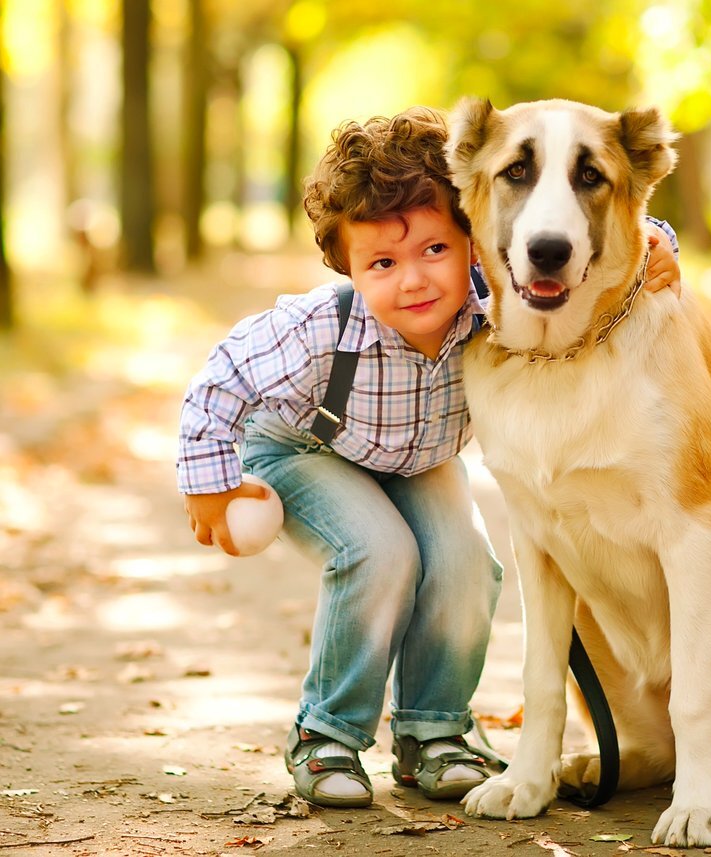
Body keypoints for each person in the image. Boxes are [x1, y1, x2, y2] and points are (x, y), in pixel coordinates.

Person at [176, 107, 681, 809]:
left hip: (417, 459)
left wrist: (660, 240)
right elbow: (220, 378)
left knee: (469, 561)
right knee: (379, 552)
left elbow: (595, 227)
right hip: (303, 448)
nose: (413, 280)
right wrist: (208, 487)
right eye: (382, 262)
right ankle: (328, 733)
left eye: (434, 252)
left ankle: (434, 731)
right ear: (345, 264)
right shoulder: (320, 328)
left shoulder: (491, 306)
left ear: (475, 239)